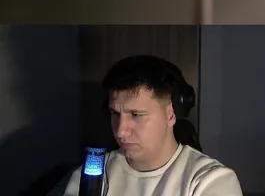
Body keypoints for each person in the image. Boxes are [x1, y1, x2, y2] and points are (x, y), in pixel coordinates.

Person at [58, 55, 242, 195]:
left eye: (136, 115)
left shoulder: (211, 181)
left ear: (170, 114)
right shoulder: (91, 175)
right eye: (115, 113)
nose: (121, 131)